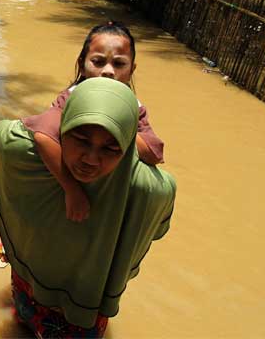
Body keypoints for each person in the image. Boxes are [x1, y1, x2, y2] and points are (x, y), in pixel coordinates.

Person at [0, 77, 176, 337]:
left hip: (41, 285)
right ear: (61, 129)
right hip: (74, 299)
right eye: (81, 140)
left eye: (110, 148)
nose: (91, 159)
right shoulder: (31, 156)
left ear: (128, 147)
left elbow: (3, 136)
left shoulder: (143, 187)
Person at [23, 21, 164, 223]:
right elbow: (44, 136)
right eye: (98, 62)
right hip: (66, 193)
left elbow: (154, 152)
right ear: (81, 65)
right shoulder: (70, 100)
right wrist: (72, 190)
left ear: (131, 70)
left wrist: (119, 132)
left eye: (118, 64)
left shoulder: (135, 109)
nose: (108, 71)